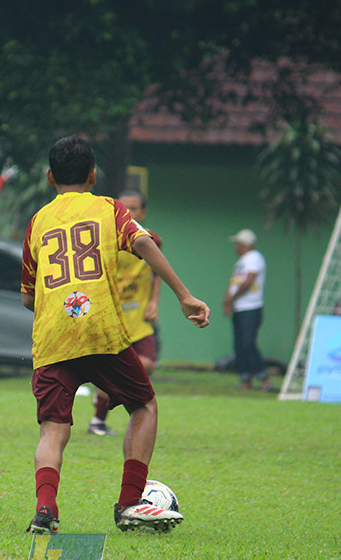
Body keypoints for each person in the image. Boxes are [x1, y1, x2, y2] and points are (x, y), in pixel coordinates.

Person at [21, 136, 210, 534]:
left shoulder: (37, 222)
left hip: (54, 338)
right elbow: (143, 241)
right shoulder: (108, 208)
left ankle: (45, 509)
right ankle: (128, 504)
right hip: (101, 331)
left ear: (49, 177)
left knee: (53, 429)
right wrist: (184, 294)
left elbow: (27, 297)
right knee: (144, 406)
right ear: (92, 175)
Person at [88, 188, 161, 436]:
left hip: (139, 320)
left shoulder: (151, 240)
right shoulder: (108, 241)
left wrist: (154, 301)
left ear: (143, 212)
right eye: (124, 207)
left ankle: (106, 392)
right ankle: (98, 421)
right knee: (114, 374)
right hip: (113, 322)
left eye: (135, 208)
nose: (129, 212)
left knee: (147, 364)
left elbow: (157, 269)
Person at [222, 229, 272, 391]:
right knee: (239, 345)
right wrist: (228, 301)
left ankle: (263, 378)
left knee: (247, 343)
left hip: (251, 308)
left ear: (244, 245)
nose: (236, 247)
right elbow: (235, 282)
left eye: (237, 244)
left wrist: (231, 298)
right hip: (239, 309)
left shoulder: (254, 258)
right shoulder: (242, 262)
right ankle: (245, 380)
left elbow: (248, 282)